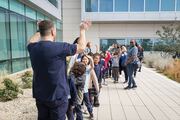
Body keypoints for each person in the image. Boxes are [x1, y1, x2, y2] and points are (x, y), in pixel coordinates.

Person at [27, 20, 91, 120]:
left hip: (40, 96)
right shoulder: (59, 47)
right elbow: (82, 47)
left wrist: (39, 29)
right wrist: (82, 30)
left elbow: (31, 40)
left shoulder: (32, 48)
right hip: (57, 96)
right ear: (53, 31)